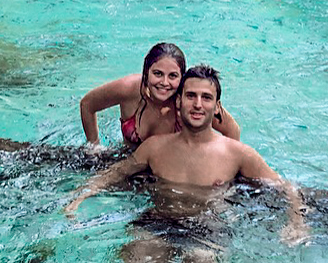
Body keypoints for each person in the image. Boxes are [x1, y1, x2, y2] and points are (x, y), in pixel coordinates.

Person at [66, 64, 309, 245]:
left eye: (206, 98)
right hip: (156, 221)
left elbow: (287, 187)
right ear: (179, 100)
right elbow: (116, 173)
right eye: (191, 96)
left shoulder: (238, 154)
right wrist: (80, 197)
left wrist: (297, 224)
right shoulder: (155, 148)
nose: (197, 104)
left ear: (217, 107)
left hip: (208, 229)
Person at [79, 43, 240, 150]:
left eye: (173, 76)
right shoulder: (129, 89)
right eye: (157, 73)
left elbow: (232, 130)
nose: (164, 83)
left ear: (182, 77)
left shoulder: (189, 101)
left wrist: (225, 166)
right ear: (146, 72)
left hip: (169, 172)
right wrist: (94, 147)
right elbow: (87, 105)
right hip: (129, 162)